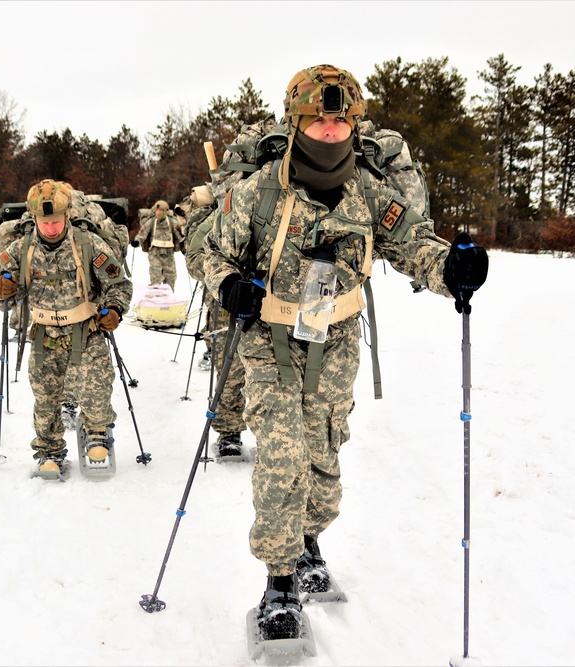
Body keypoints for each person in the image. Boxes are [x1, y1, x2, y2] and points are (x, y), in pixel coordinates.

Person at [202, 64, 488, 641]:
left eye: (341, 119)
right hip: (272, 339)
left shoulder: (369, 190)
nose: (330, 130)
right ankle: (279, 582)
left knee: (324, 452)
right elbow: (211, 252)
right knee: (282, 456)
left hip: (336, 342)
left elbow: (413, 245)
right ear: (298, 120)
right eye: (319, 119)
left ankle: (310, 540)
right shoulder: (256, 192)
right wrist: (229, 285)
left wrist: (451, 269)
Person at [0, 179, 133, 476]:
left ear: (66, 216)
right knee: (46, 400)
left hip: (86, 330)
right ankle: (49, 450)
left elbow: (118, 284)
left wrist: (115, 309)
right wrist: (1, 291)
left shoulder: (87, 244)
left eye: (55, 221)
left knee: (96, 390)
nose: (50, 228)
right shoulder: (20, 248)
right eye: (44, 222)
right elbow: (0, 300)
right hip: (44, 336)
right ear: (35, 219)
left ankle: (97, 433)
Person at [184, 184, 248, 457]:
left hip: (275, 304)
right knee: (229, 370)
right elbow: (195, 260)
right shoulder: (218, 216)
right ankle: (229, 431)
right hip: (227, 305)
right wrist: (225, 279)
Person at [136, 199, 183, 289]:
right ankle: (155, 296)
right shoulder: (151, 222)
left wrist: (184, 244)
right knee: (155, 276)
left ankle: (169, 296)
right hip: (154, 253)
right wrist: (137, 241)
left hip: (169, 253)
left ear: (166, 211)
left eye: (161, 210)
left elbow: (179, 234)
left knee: (170, 277)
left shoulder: (172, 222)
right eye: (157, 210)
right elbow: (143, 233)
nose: (159, 212)